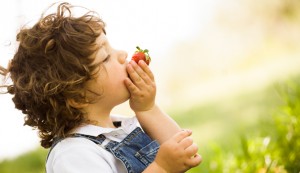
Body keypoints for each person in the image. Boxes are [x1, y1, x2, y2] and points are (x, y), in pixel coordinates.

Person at [0, 2, 202, 173]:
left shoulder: (120, 127)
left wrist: (147, 108)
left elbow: (185, 150)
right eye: (105, 57)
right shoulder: (73, 154)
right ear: (78, 96)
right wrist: (161, 168)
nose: (122, 54)